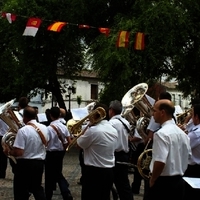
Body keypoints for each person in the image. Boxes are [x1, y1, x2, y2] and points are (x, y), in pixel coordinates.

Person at [147, 99, 191, 200]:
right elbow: (188, 156)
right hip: (179, 182)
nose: (153, 114)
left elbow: (160, 162)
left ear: (162, 112)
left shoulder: (161, 134)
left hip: (163, 184)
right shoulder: (183, 134)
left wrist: (153, 179)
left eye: (155, 111)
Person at [3, 106, 48, 200]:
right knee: (37, 188)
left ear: (24, 117)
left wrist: (9, 151)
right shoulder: (44, 128)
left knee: (21, 191)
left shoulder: (23, 131)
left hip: (25, 165)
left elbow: (19, 152)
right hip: (39, 163)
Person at [77, 103, 118, 200]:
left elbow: (79, 145)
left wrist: (87, 126)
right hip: (109, 171)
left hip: (93, 172)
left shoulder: (93, 131)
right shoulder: (113, 130)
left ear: (95, 114)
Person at [45, 106, 73, 200]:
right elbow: (69, 142)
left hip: (51, 153)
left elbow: (46, 142)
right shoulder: (64, 127)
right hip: (60, 153)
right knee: (58, 172)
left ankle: (49, 195)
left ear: (50, 115)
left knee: (49, 176)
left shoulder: (48, 128)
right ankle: (65, 192)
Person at [108, 100, 133, 200]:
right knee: (123, 183)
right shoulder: (125, 122)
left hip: (116, 155)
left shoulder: (112, 123)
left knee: (113, 182)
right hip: (124, 154)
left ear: (111, 110)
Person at [183, 104, 200, 199]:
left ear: (196, 117)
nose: (191, 117)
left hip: (193, 170)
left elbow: (183, 147)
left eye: (192, 115)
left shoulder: (196, 133)